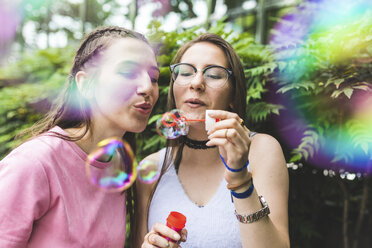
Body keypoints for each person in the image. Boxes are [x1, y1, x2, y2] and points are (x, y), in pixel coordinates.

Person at [0, 26, 159, 247]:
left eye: (153, 77)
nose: (147, 87)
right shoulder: (34, 164)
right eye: (128, 72)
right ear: (85, 84)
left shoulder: (118, 168)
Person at [136, 33, 290, 248]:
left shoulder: (261, 150)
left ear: (233, 95)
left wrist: (240, 178)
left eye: (214, 75)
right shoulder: (151, 169)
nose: (197, 83)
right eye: (186, 72)